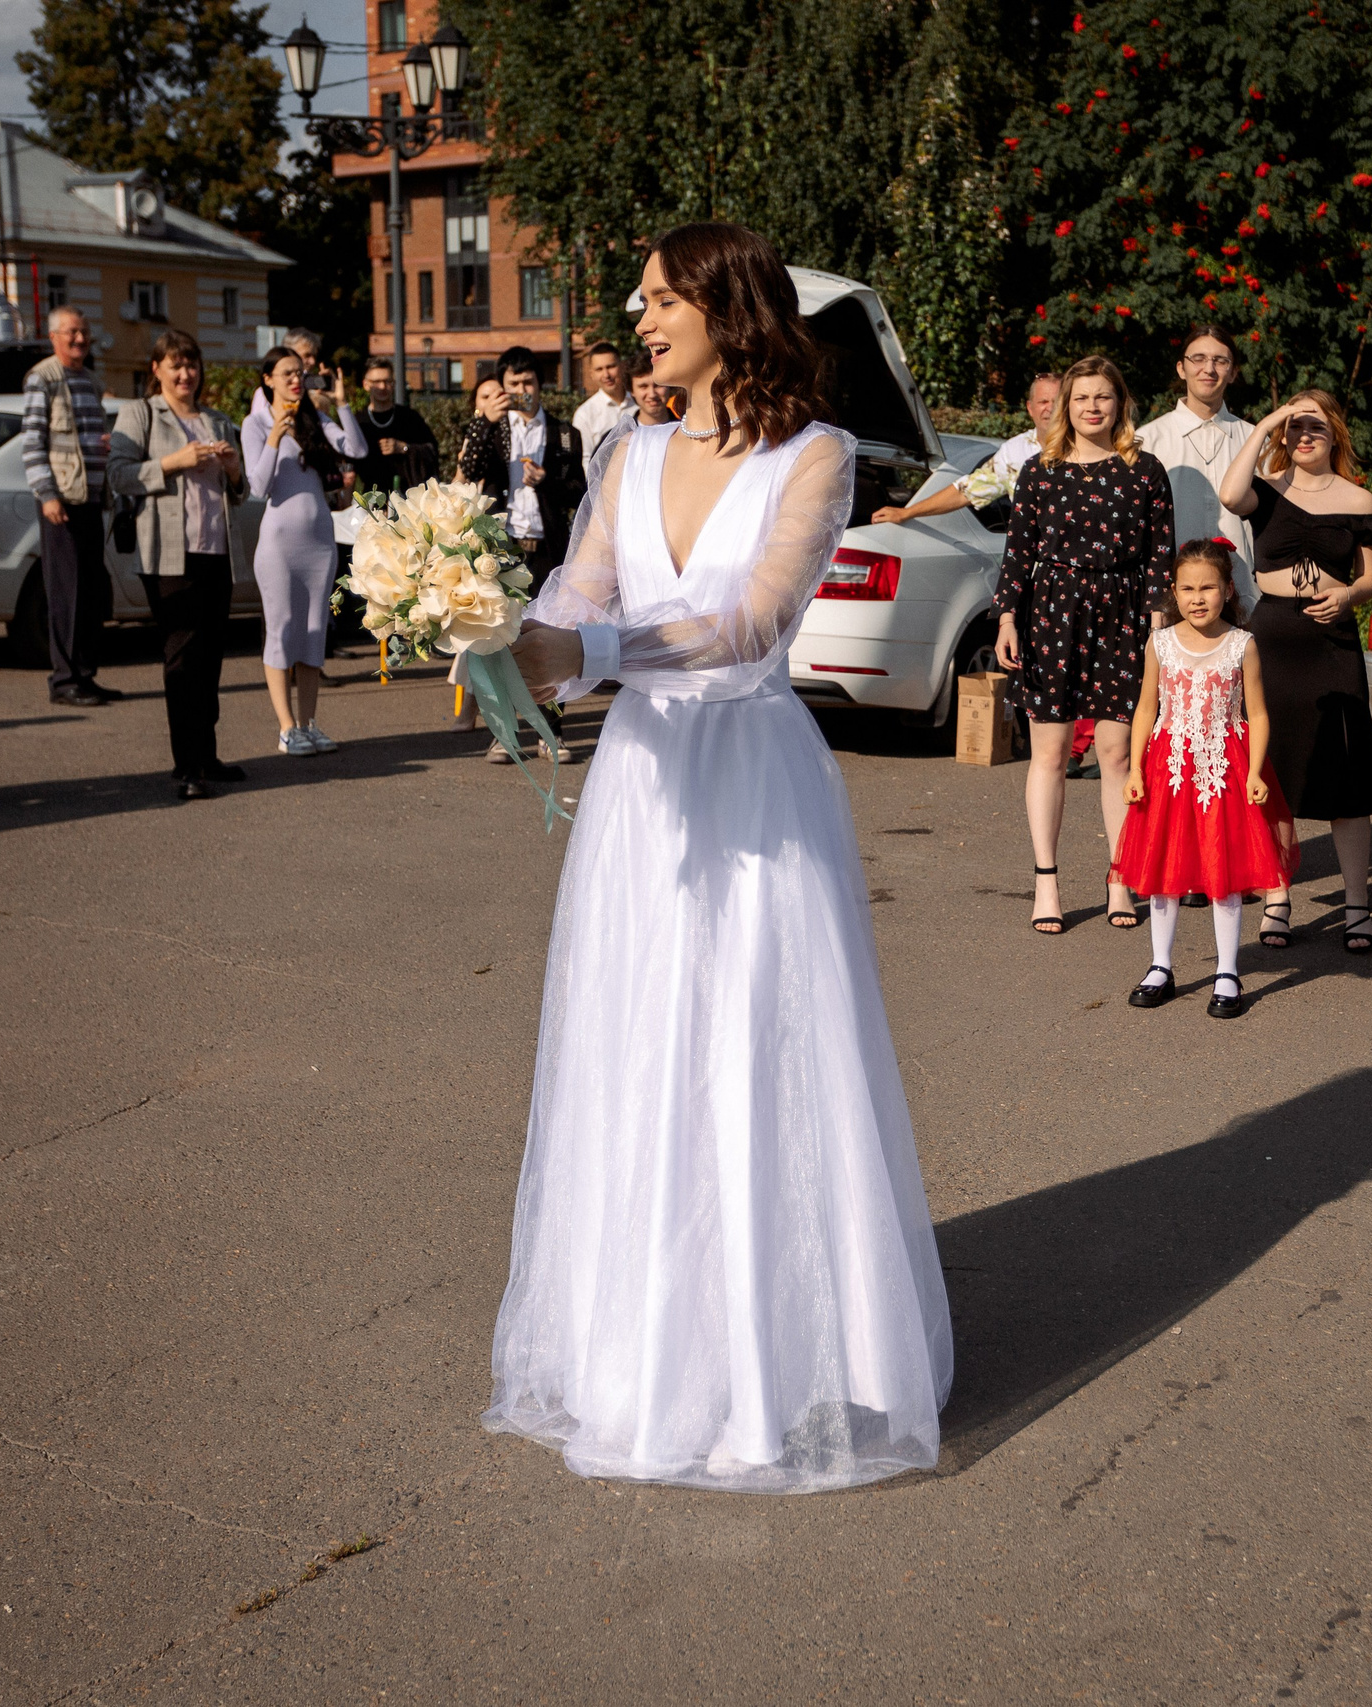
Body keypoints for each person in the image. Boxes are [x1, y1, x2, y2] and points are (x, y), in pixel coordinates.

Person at [492, 221, 952, 1492]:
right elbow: (578, 594)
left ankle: (768, 1371)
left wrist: (586, 655)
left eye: (657, 299)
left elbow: (750, 622)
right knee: (640, 1046)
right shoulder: (629, 452)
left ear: (725, 307)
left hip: (753, 782)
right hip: (644, 786)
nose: (637, 320)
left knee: (754, 1045)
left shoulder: (819, 455)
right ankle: (638, 1364)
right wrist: (498, 634)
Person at [993, 356, 1175, 934]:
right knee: (1049, 754)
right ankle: (1046, 882)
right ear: (1065, 407)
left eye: (1103, 397)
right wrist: (1006, 618)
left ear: (1120, 404)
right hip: (1051, 613)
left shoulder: (1145, 469)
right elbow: (1018, 551)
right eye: (1081, 398)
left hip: (1123, 616)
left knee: (1118, 756)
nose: (1092, 407)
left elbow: (1160, 555)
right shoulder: (1039, 471)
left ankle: (1120, 876)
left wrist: (1158, 626)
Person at [1217, 387, 1372, 953]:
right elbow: (1229, 493)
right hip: (1272, 639)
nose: (1304, 434)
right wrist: (1269, 422)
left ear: (1336, 432)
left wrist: (1348, 598)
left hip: (1331, 640)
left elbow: (1370, 577)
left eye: (1316, 425)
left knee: (1346, 772)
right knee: (1274, 773)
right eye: (1296, 426)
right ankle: (1277, 897)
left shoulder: (1359, 499)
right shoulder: (1265, 491)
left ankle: (1357, 904)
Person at [1112, 541, 1290, 1018]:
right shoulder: (1160, 643)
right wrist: (1134, 768)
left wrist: (1255, 770)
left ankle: (1227, 970)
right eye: (1187, 589)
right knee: (1163, 869)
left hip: (1223, 769)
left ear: (1227, 590)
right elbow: (1146, 708)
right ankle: (1160, 965)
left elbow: (1258, 713)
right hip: (1169, 768)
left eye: (1208, 588)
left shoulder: (1242, 645)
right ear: (1173, 591)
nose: (1197, 598)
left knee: (1222, 868)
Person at [112, 330, 247, 800]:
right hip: (170, 555)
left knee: (210, 658)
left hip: (216, 551)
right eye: (175, 365)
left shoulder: (217, 420)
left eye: (191, 364)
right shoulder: (141, 413)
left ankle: (206, 755)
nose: (185, 374)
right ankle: (186, 766)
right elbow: (118, 474)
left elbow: (240, 491)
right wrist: (174, 462)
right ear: (157, 370)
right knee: (183, 658)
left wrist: (233, 470)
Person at [457, 347, 586, 764]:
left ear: (539, 384)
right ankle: (503, 732)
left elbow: (580, 492)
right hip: (502, 548)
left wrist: (547, 481)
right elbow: (469, 470)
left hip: (547, 547)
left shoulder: (564, 433)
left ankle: (553, 732)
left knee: (553, 634)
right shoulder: (493, 430)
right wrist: (483, 421)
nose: (521, 390)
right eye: (512, 384)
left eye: (528, 382)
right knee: (498, 638)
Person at [242, 345, 366, 757]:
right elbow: (259, 486)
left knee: (314, 632)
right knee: (281, 631)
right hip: (278, 545)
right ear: (268, 380)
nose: (296, 380)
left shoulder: (314, 418)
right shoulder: (255, 423)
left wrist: (342, 404)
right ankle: (286, 727)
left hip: (320, 543)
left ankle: (309, 723)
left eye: (300, 373)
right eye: (287, 374)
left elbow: (357, 449)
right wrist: (275, 436)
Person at [20, 307, 117, 709]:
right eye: (72, 332)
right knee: (66, 592)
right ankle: (64, 681)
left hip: (90, 499)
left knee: (90, 591)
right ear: (54, 337)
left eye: (85, 332)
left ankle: (85, 676)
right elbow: (32, 442)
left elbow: (91, 437)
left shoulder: (91, 380)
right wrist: (47, 495)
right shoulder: (42, 378)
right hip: (61, 501)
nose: (80, 339)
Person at [1135, 327, 1257, 601]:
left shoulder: (1255, 440)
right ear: (1181, 368)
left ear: (1233, 372)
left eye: (1220, 361)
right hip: (1169, 596)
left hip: (1242, 593)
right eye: (1198, 358)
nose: (1209, 369)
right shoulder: (1146, 441)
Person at [870, 372, 1060, 527]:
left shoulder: (1079, 448)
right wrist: (906, 512)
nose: (1050, 408)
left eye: (1057, 401)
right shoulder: (1014, 452)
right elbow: (965, 491)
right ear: (1030, 408)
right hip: (1034, 558)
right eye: (1043, 402)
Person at [352, 359, 438, 494]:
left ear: (394, 383)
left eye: (387, 381)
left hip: (408, 495)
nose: (382, 387)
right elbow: (350, 463)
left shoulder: (409, 418)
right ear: (366, 385)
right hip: (371, 496)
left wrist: (403, 448)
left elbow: (431, 451)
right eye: (376, 382)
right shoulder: (358, 421)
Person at [569, 340, 632, 448]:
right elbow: (586, 456)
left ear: (621, 366)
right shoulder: (585, 414)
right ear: (592, 374)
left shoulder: (641, 404)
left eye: (610, 367)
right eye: (599, 369)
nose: (606, 375)